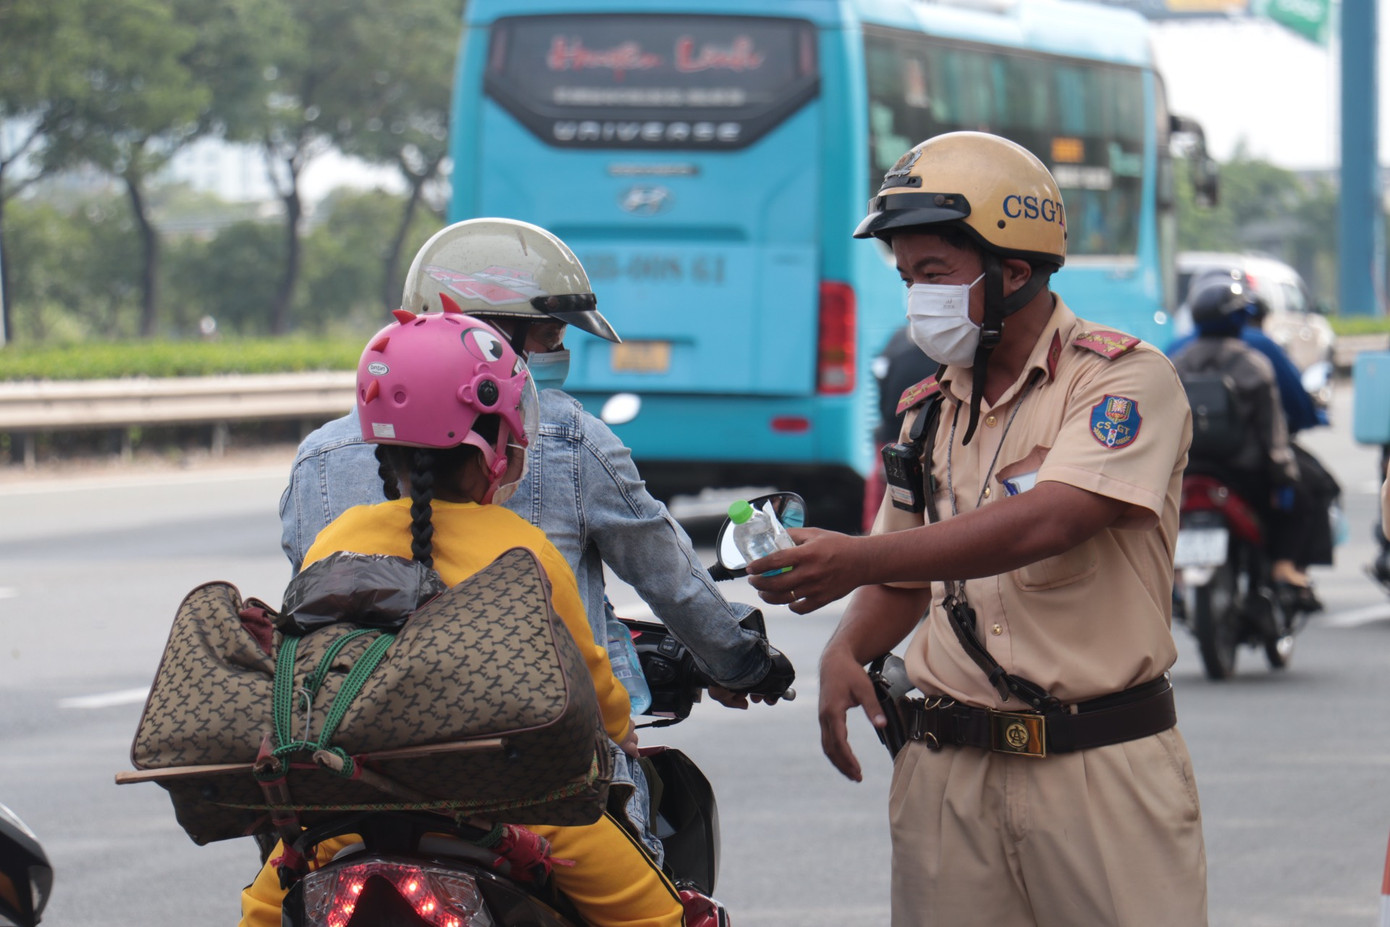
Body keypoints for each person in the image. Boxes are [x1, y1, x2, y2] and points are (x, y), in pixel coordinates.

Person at [743, 132, 1208, 926]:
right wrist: (845, 648)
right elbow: (903, 579)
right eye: (907, 278)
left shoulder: (1122, 381)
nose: (917, 298)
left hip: (1098, 769)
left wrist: (857, 557)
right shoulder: (929, 411)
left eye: (934, 274)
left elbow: (1051, 519)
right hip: (947, 772)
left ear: (1014, 270)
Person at [279, 218, 793, 862]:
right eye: (549, 337)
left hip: (354, 778)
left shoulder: (319, 459)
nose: (557, 356)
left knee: (284, 885)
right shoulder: (566, 449)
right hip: (530, 781)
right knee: (650, 901)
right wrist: (738, 664)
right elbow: (658, 594)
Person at [241, 308, 686, 927]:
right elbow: (587, 679)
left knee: (261, 911)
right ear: (496, 445)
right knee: (658, 918)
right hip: (518, 806)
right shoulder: (524, 548)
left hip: (353, 805)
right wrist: (619, 731)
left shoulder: (336, 539)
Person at [1169, 279, 1315, 609]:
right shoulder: (1254, 364)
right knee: (1303, 498)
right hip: (1243, 474)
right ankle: (1283, 568)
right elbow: (1272, 433)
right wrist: (1284, 478)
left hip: (1187, 471)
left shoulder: (1175, 362)